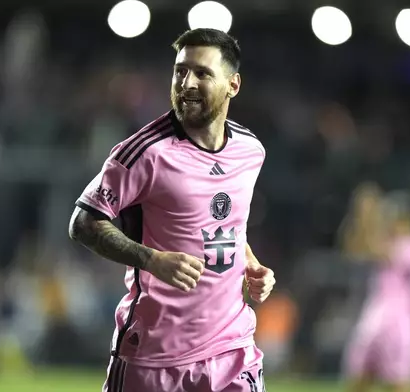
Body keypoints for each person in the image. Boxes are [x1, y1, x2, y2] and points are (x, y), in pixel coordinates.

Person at [69, 28, 276, 392]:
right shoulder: (144, 152)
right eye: (180, 71)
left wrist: (253, 266)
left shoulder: (250, 150)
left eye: (202, 73)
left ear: (233, 85)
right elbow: (83, 223)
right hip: (153, 357)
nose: (187, 82)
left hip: (233, 350)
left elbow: (228, 224)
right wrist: (152, 260)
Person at [339, 188, 410, 392]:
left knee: (398, 381)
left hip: (401, 321)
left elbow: (383, 253)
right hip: (376, 315)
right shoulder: (392, 242)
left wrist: (367, 218)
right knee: (360, 377)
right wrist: (360, 218)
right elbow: (355, 249)